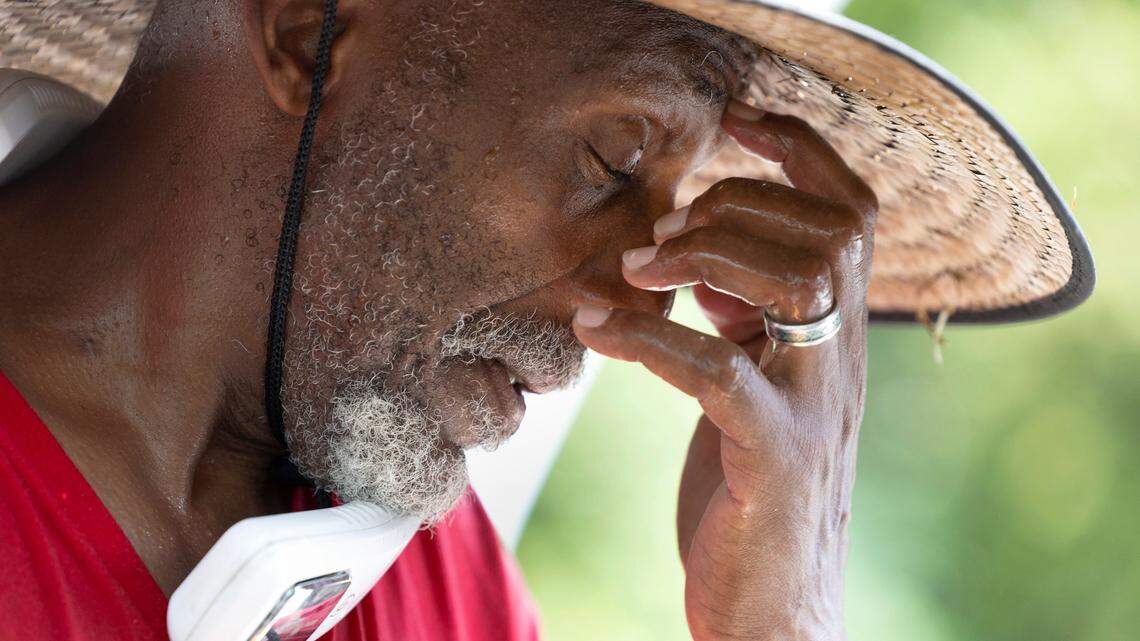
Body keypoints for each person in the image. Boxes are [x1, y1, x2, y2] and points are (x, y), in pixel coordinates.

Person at [0, 1, 1093, 640]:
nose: (631, 303)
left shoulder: (422, 570)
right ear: (302, 33)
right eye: (614, 159)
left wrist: (780, 615)